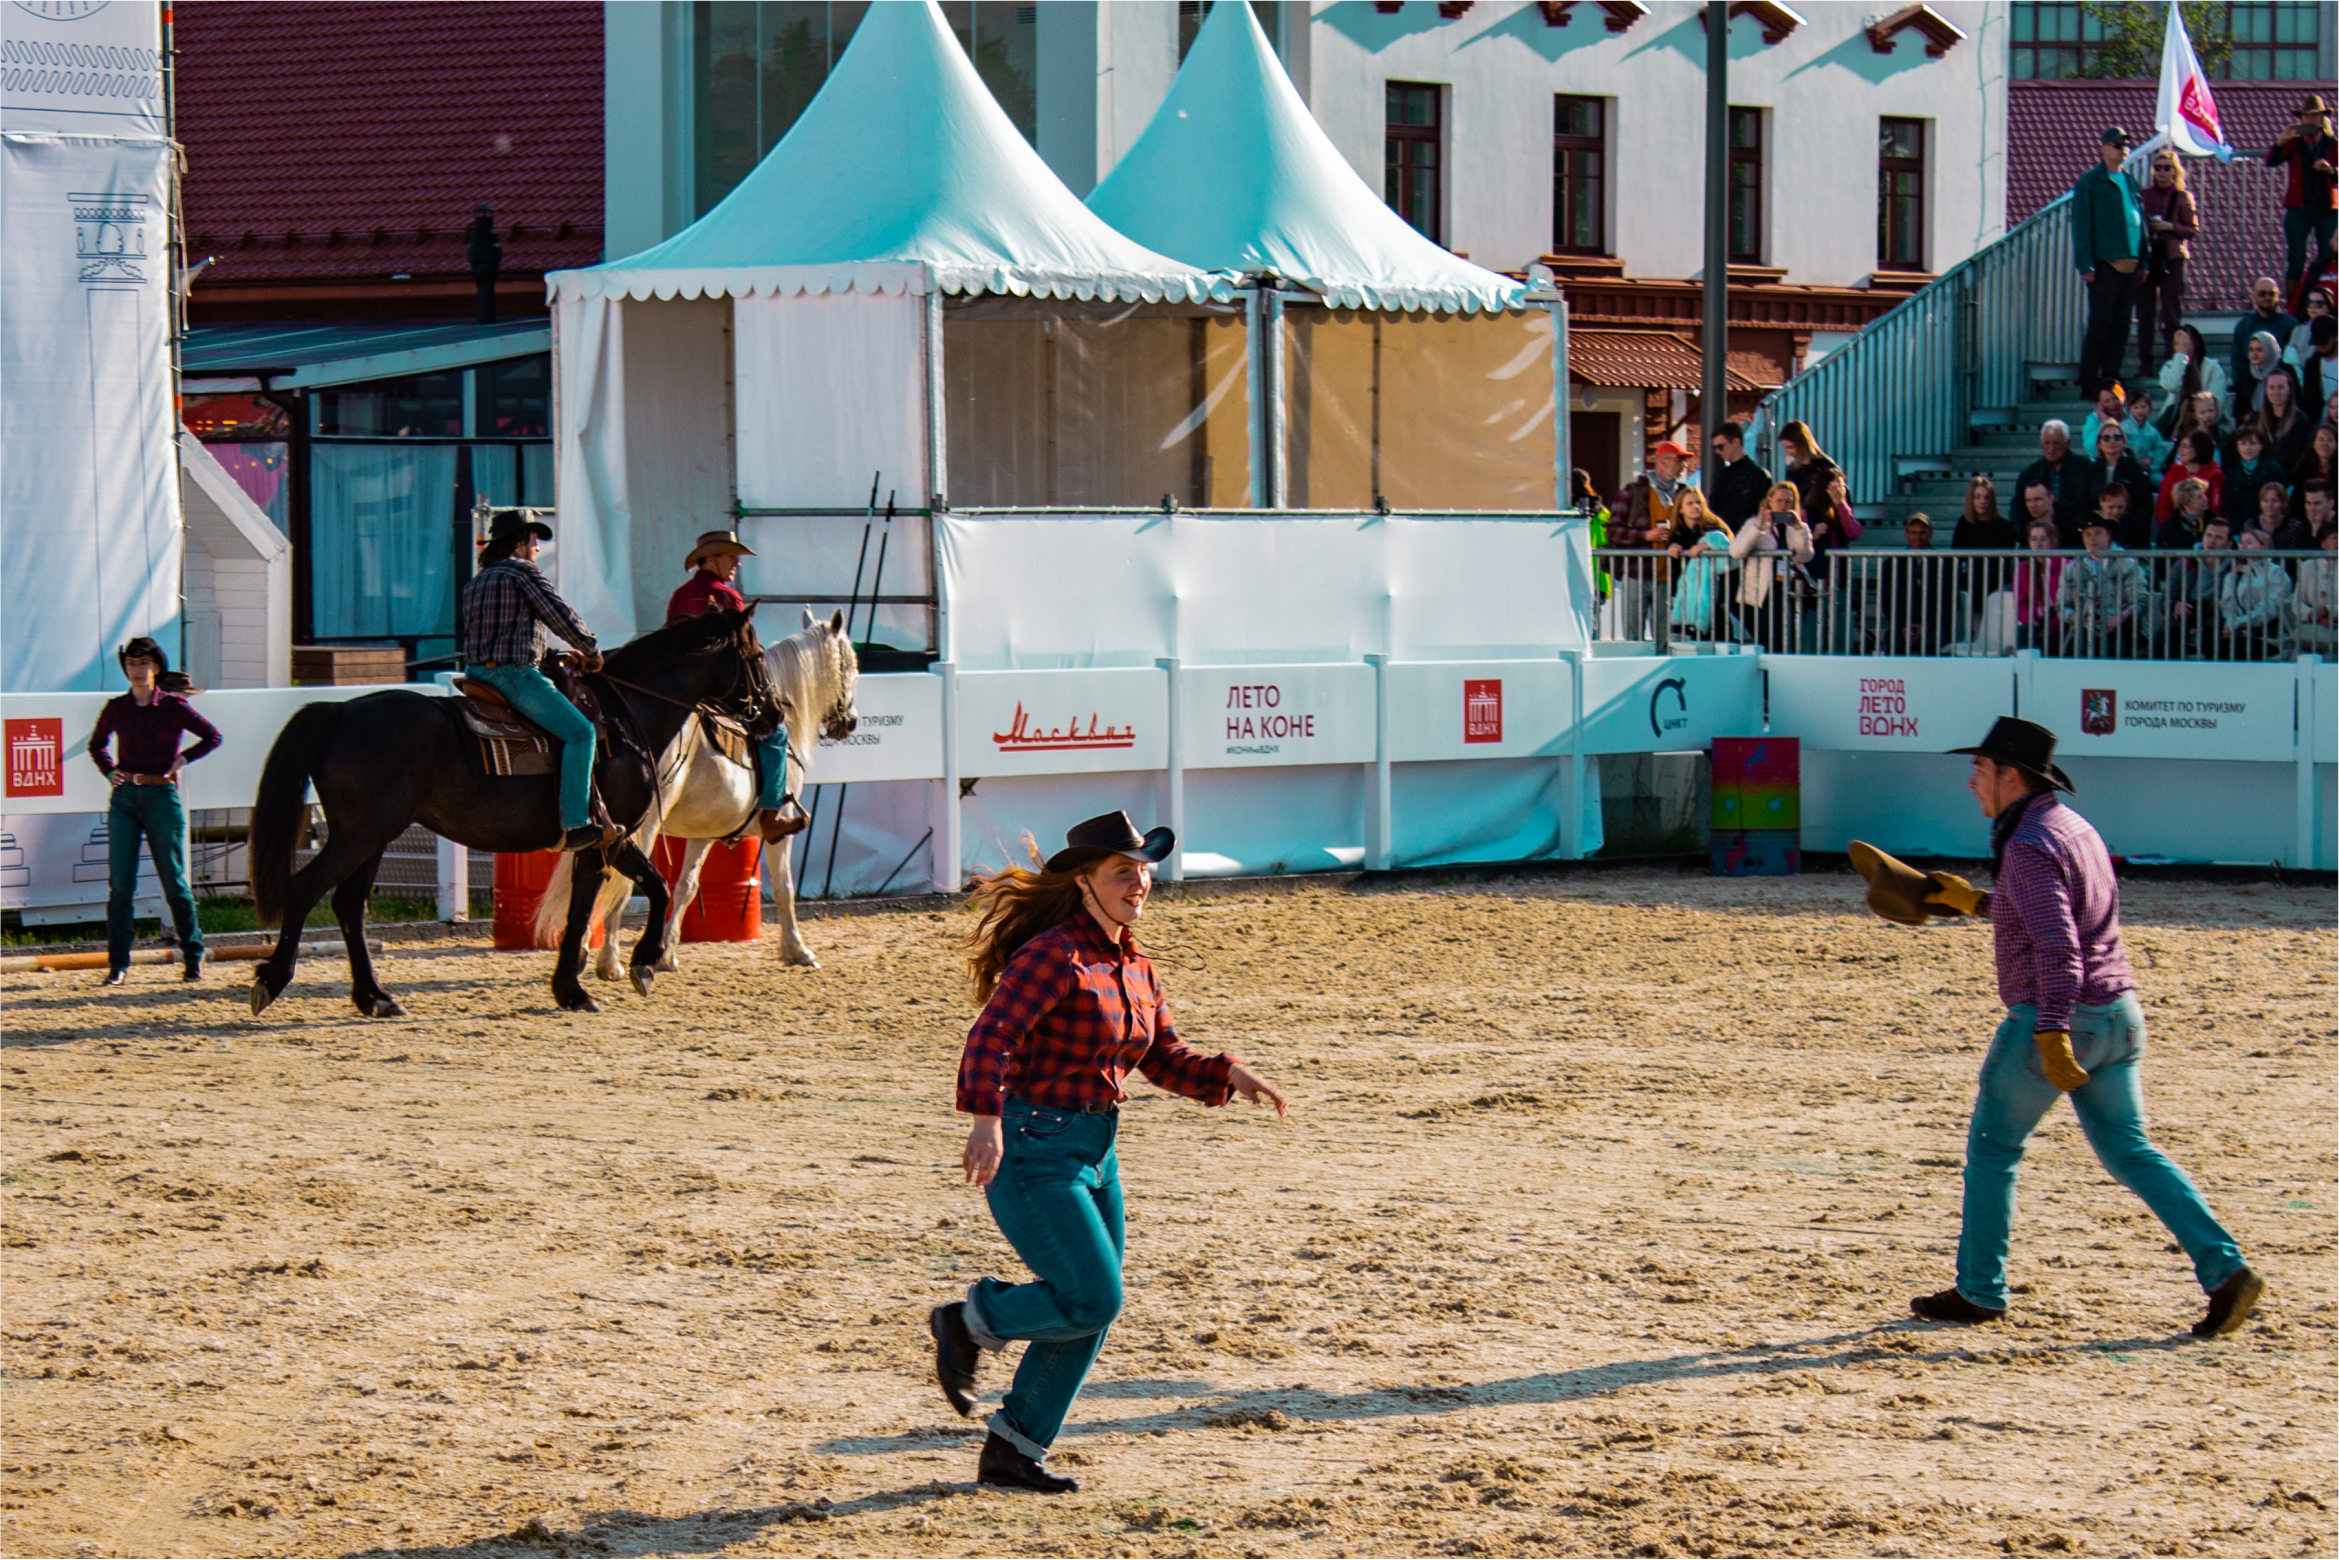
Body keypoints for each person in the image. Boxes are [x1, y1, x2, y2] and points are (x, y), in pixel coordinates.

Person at [931, 812, 1287, 1493]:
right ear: (1085, 882)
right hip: (1033, 1145)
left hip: (1097, 1151)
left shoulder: (1134, 965)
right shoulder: (1053, 956)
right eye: (1124, 872)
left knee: (1088, 1307)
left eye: (1145, 871)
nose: (1140, 882)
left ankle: (1014, 1448)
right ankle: (967, 1321)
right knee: (1093, 1297)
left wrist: (1226, 1073)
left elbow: (1161, 1056)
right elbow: (991, 1036)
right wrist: (984, 1120)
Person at [1907, 719, 2264, 1338]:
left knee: (1994, 1150)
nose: (1970, 783)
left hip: (2060, 1017)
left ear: (2010, 776)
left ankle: (1981, 1290)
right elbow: (2052, 917)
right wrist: (1973, 903)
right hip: (2119, 1015)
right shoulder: (2072, 829)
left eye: (1979, 770)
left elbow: (2057, 944)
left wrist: (2049, 1031)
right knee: (2133, 1152)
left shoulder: (2025, 845)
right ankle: (2227, 1271)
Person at [456, 511, 610, 852]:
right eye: (534, 540)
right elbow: (559, 614)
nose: (537, 548)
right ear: (520, 541)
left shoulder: (477, 581)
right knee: (580, 732)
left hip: (478, 674)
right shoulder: (522, 570)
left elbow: (505, 633)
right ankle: (575, 823)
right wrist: (591, 648)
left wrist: (553, 653)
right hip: (514, 676)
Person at [87, 637, 220, 986]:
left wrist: (184, 759)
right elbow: (96, 744)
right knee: (120, 885)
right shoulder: (116, 707)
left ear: (156, 668)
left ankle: (193, 957)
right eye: (131, 664)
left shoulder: (174, 706)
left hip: (162, 796)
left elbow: (212, 736)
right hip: (126, 797)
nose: (137, 670)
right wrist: (110, 771)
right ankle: (118, 964)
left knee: (174, 883)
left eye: (143, 663)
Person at [663, 530, 801, 843]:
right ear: (710, 559)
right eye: (730, 556)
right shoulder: (728, 597)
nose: (737, 563)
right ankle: (770, 815)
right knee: (776, 734)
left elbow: (670, 643)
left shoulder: (680, 595)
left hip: (684, 691)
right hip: (721, 694)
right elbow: (744, 651)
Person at [2072, 126, 2144, 398]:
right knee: (2101, 322)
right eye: (2116, 144)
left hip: (2130, 264)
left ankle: (2112, 377)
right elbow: (2081, 225)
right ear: (2102, 149)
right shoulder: (2090, 182)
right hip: (2104, 264)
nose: (2123, 148)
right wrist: (2085, 264)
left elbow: (2141, 222)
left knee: (2122, 323)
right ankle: (2090, 381)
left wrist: (2144, 260)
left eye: (2126, 144)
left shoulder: (2130, 181)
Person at [1607, 440, 1698, 640]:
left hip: (1670, 577)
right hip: (1637, 573)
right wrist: (1645, 535)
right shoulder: (1634, 492)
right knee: (1633, 638)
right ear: (1661, 463)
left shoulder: (1685, 494)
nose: (1684, 465)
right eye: (1679, 460)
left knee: (1666, 639)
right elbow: (1612, 531)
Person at [1726, 486, 1812, 650]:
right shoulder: (1753, 523)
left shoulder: (1798, 527)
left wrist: (1798, 528)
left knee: (1790, 641)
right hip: (1763, 592)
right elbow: (1736, 552)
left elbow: (1805, 556)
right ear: (1769, 501)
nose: (1783, 505)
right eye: (1779, 500)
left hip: (1791, 589)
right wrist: (1759, 528)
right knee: (1766, 640)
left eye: (1788, 501)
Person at [2136, 150, 2198, 376]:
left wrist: (2170, 227)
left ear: (2175, 171)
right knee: (2145, 314)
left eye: (2167, 168)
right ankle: (2145, 363)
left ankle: (2172, 362)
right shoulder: (2143, 195)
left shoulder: (2183, 197)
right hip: (2148, 257)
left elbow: (2193, 230)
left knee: (2172, 313)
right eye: (2158, 168)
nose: (2162, 172)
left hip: (2172, 258)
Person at [2269, 96, 2339, 289]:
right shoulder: (2294, 142)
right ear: (2301, 119)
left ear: (2322, 118)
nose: (2310, 120)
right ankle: (2295, 307)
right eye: (2306, 116)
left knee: (2329, 256)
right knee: (2296, 259)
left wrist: (2330, 169)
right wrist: (2280, 141)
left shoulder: (2333, 143)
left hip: (2327, 209)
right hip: (2299, 208)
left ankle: (2323, 299)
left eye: (2315, 116)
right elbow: (2271, 161)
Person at [2056, 517, 2148, 655]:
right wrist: (2078, 619)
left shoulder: (2128, 564)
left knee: (2116, 652)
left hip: (2123, 628)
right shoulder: (2072, 567)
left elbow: (2141, 600)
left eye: (2098, 533)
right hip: (2085, 628)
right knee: (2072, 655)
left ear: (2109, 536)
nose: (2092, 538)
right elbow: (2061, 605)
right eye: (2087, 534)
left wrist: (2119, 618)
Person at [2220, 527, 2293, 659]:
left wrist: (2240, 624)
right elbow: (2227, 603)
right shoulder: (2233, 573)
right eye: (2241, 542)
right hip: (2238, 631)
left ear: (2263, 546)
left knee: (2240, 649)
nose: (2243, 546)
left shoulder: (2276, 573)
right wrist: (2231, 626)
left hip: (2270, 636)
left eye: (2249, 542)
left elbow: (2270, 608)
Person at [2165, 518, 2234, 657]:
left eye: (2219, 537)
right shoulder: (2186, 561)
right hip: (2188, 616)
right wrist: (2175, 605)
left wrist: (2206, 626)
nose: (2212, 541)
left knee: (2217, 643)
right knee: (2164, 643)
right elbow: (2167, 596)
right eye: (2208, 535)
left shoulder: (2235, 567)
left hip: (2219, 619)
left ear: (2229, 544)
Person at [2016, 420, 2089, 543]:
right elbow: (2018, 508)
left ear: (2068, 443)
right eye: (2047, 443)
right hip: (2039, 537)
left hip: (2075, 537)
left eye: (2056, 443)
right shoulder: (2029, 473)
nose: (2051, 448)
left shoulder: (2086, 469)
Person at [2083, 423, 2153, 548]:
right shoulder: (2090, 471)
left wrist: (2138, 527)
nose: (2112, 441)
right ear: (2098, 443)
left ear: (2123, 442)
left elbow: (2145, 503)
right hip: (2096, 531)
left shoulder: (2135, 468)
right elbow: (2082, 503)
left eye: (2117, 437)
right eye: (2106, 438)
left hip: (2130, 531)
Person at [2230, 278, 2298, 394]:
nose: (2267, 297)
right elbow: (2238, 363)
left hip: (2282, 389)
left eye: (2271, 294)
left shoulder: (2291, 325)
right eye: (2262, 294)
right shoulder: (2244, 327)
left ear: (2278, 296)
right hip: (2251, 388)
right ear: (2254, 296)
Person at [1704, 421, 1771, 530]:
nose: (1717, 451)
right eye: (1715, 448)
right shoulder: (1721, 476)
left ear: (1736, 441)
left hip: (1746, 536)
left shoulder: (1757, 476)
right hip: (1723, 537)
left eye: (1720, 447)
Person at [2014, 517, 2065, 654]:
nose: (2038, 544)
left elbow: (2071, 603)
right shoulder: (2023, 569)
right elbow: (2020, 606)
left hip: (2063, 622)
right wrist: (2033, 620)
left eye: (2043, 539)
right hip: (2036, 622)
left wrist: (2051, 626)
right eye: (2033, 539)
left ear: (2053, 542)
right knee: (2024, 631)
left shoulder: (2067, 565)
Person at [2157, 325, 2229, 420]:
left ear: (2195, 343)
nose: (2181, 347)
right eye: (2177, 343)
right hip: (2176, 420)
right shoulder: (2170, 366)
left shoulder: (2213, 368)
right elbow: (2172, 385)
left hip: (2205, 421)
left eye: (2185, 343)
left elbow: (2217, 406)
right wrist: (2181, 356)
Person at [2223, 424, 2285, 528]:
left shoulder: (2273, 469)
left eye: (2252, 443)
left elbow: (2282, 500)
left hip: (2270, 525)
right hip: (2242, 528)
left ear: (2261, 445)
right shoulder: (2232, 472)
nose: (2248, 448)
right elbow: (2231, 507)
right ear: (2237, 446)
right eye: (2243, 444)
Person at [2155, 430, 2224, 521]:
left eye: (2185, 446)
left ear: (2199, 449)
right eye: (2180, 446)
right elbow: (2163, 507)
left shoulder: (2215, 475)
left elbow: (2215, 508)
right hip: (2175, 529)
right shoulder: (2173, 474)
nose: (2180, 450)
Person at [2293, 525, 2339, 652]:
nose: (2338, 541)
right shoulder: (2308, 566)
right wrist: (2313, 616)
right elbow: (2297, 602)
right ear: (2323, 543)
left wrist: (2327, 610)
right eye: (2334, 537)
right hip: (2312, 625)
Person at [2256, 368, 2313, 469]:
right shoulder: (2257, 419)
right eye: (2271, 388)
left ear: (2289, 390)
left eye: (2281, 387)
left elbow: (2296, 455)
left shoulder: (2300, 420)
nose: (2276, 392)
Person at [1953, 474, 2018, 550]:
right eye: (1977, 497)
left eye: (1986, 497)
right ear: (1970, 499)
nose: (1983, 501)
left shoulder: (2004, 527)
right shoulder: (1963, 523)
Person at [2155, 475, 2215, 551]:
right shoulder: (2169, 527)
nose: (2206, 499)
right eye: (2200, 497)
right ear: (2186, 501)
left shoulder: (2215, 520)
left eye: (2204, 495)